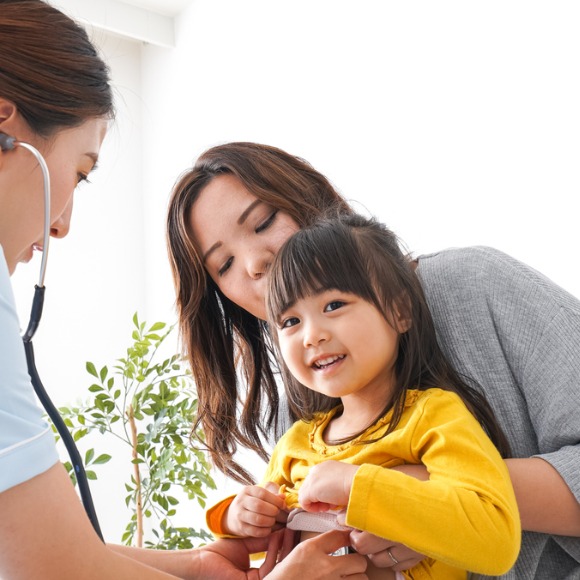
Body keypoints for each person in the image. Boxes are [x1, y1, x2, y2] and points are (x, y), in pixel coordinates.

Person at [0, 3, 368, 579]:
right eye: (79, 172)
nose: (61, 224)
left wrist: (196, 568)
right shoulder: (294, 406)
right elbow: (48, 564)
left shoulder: (463, 290)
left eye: (266, 220)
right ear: (6, 134)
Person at [167, 141, 580, 579]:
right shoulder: (297, 414)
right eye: (225, 264)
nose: (254, 264)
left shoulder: (474, 287)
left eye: (264, 222)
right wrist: (242, 525)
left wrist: (407, 498)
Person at [204, 213, 520, 579]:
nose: (311, 335)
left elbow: (496, 539)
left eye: (334, 305)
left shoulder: (434, 417)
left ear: (399, 311)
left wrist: (355, 484)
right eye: (291, 322)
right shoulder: (296, 442)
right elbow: (258, 527)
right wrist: (236, 515)